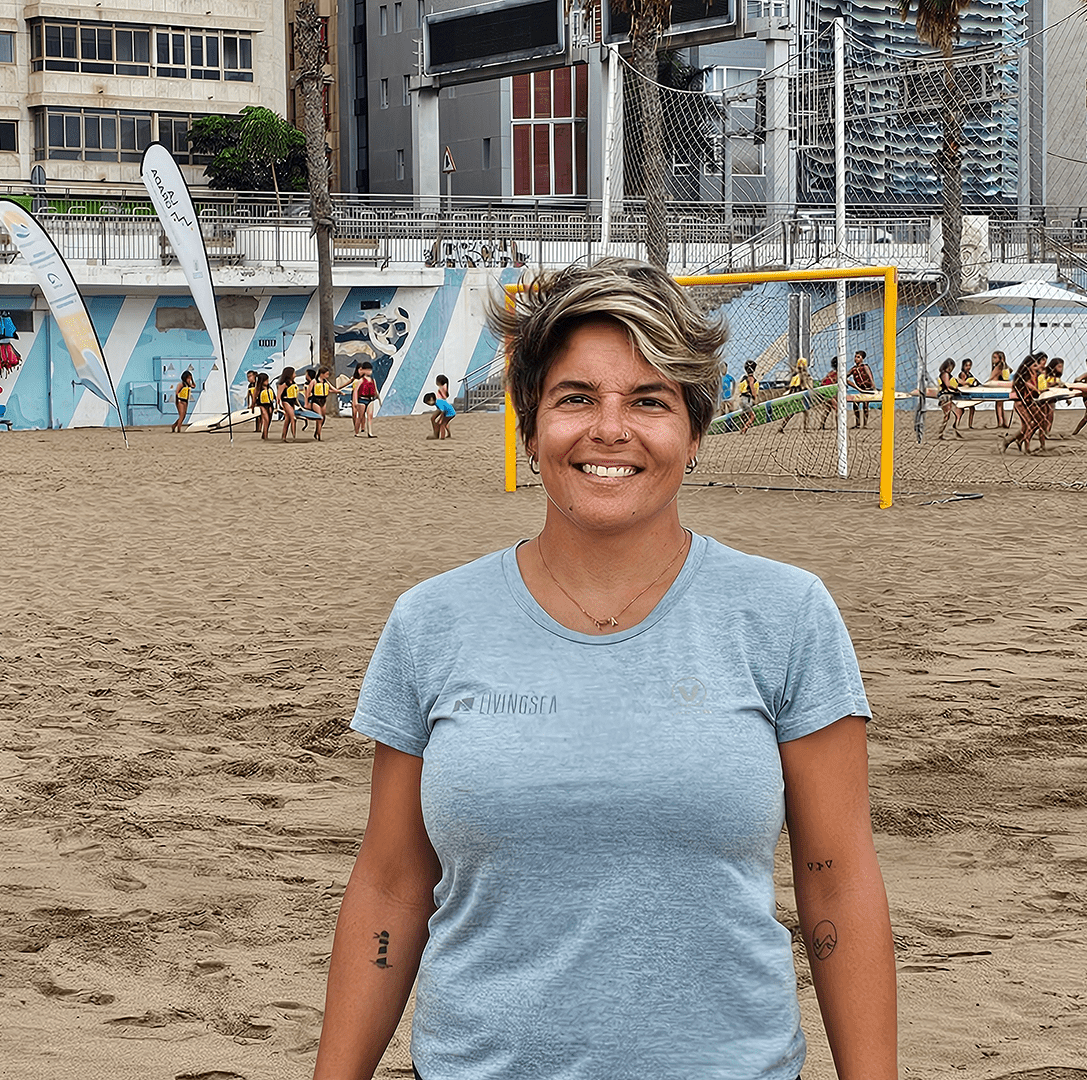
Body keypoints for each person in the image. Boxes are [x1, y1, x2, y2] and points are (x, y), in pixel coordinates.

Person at [313, 257, 896, 1080]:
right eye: (576, 398)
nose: (609, 430)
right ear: (530, 426)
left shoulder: (785, 615)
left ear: (695, 433)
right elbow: (391, 883)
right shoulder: (432, 623)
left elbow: (836, 883)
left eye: (649, 400)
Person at [1000, 356, 1047, 454]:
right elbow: (1028, 385)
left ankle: (1018, 440)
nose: (1037, 366)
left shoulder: (1035, 374)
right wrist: (1036, 390)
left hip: (1029, 401)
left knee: (1040, 420)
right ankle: (1025, 446)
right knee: (1028, 424)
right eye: (1034, 365)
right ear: (1028, 366)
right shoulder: (1023, 376)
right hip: (1021, 402)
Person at [934, 359, 965, 440]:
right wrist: (956, 388)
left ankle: (953, 430)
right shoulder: (945, 374)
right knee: (948, 416)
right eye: (950, 367)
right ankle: (941, 433)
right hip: (945, 397)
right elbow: (947, 385)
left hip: (947, 396)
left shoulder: (946, 374)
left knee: (959, 411)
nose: (951, 369)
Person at [847, 349, 876, 429]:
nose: (856, 359)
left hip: (868, 389)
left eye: (858, 357)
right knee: (855, 404)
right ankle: (858, 423)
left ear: (862, 359)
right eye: (855, 357)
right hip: (861, 390)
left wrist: (874, 388)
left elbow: (870, 377)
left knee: (865, 406)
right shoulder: (853, 369)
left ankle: (865, 424)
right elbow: (846, 376)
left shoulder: (865, 367)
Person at [352, 361, 379, 438]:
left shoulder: (372, 380)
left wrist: (376, 395)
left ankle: (370, 432)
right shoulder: (361, 380)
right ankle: (356, 431)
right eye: (367, 370)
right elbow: (356, 391)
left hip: (370, 399)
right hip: (362, 399)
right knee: (360, 416)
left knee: (370, 416)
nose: (369, 372)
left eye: (370, 370)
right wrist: (355, 401)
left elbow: (375, 389)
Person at [734, 359, 761, 433]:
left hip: (741, 398)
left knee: (744, 414)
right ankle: (745, 429)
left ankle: (742, 427)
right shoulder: (753, 380)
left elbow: (740, 389)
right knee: (752, 416)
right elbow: (753, 390)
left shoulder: (742, 379)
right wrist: (755, 397)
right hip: (747, 399)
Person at [307, 367, 333, 440]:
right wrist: (307, 403)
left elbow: (332, 388)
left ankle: (317, 431)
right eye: (326, 374)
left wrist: (338, 391)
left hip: (323, 400)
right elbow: (308, 392)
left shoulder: (325, 381)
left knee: (323, 418)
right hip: (316, 400)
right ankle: (319, 435)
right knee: (319, 417)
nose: (327, 376)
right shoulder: (314, 381)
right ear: (322, 374)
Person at [988, 351, 1012, 428]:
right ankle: (1004, 421)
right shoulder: (1005, 367)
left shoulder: (998, 367)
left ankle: (1000, 422)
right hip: (1005, 386)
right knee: (1001, 405)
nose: (993, 360)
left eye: (995, 358)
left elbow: (991, 377)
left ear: (1000, 358)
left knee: (998, 405)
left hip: (999, 387)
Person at [278, 366, 301, 442]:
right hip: (286, 401)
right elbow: (278, 396)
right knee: (293, 418)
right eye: (294, 373)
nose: (295, 374)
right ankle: (294, 437)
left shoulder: (293, 383)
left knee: (287, 420)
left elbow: (295, 395)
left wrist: (298, 405)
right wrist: (280, 406)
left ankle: (283, 437)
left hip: (292, 402)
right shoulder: (284, 384)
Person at [429, 373, 456, 440]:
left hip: (442, 405)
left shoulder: (442, 388)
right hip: (443, 404)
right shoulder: (444, 387)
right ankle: (447, 434)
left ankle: (441, 436)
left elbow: (443, 397)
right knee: (444, 422)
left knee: (442, 423)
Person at [957, 359, 981, 429]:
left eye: (970, 365)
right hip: (963, 393)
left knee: (972, 408)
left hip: (969, 393)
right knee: (961, 410)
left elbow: (975, 381)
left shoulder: (969, 374)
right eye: (966, 365)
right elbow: (962, 383)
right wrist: (968, 383)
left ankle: (970, 425)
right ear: (963, 366)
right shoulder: (963, 374)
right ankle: (957, 424)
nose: (968, 367)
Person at [254, 372, 276, 440]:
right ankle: (265, 436)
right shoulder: (258, 389)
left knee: (269, 420)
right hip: (261, 405)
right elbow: (254, 397)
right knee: (266, 419)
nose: (267, 382)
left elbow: (274, 397)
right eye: (266, 380)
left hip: (270, 405)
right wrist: (252, 407)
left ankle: (264, 434)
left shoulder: (269, 388)